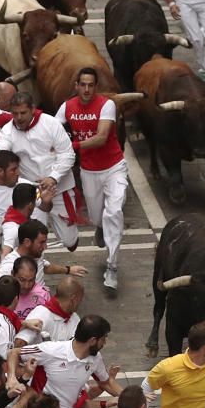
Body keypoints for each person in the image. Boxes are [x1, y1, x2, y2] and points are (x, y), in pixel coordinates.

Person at [55, 66, 127, 289]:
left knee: (114, 211)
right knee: (97, 218)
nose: (86, 89)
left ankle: (112, 266)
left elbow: (102, 137)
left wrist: (71, 146)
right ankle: (101, 227)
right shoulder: (66, 107)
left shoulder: (107, 105)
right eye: (82, 85)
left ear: (96, 87)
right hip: (88, 171)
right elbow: (52, 130)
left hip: (114, 167)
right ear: (76, 86)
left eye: (90, 85)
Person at [7, 314, 123, 408]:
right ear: (93, 340)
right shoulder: (51, 350)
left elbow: (106, 382)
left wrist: (128, 397)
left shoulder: (96, 359)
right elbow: (13, 353)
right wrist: (12, 379)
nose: (104, 343)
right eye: (103, 338)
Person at [0, 92, 80, 251]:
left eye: (23, 113)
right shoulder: (7, 132)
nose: (19, 117)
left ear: (33, 109)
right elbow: (2, 154)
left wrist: (53, 177)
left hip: (59, 188)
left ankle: (68, 236)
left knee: (70, 243)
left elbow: (68, 154)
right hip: (32, 193)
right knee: (33, 241)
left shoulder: (51, 123)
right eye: (15, 113)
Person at [0, 218, 87, 284]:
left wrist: (68, 270)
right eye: (41, 242)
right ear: (27, 242)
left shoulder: (36, 255)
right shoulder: (9, 266)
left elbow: (44, 267)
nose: (45, 247)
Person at [14, 275, 83, 346]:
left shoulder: (75, 319)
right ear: (73, 299)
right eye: (80, 299)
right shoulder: (41, 314)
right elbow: (19, 343)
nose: (80, 302)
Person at [0, 255, 49, 322]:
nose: (26, 286)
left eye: (31, 280)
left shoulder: (43, 295)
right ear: (13, 274)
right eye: (22, 280)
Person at [2, 182, 52, 258]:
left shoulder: (18, 221)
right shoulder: (13, 229)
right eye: (35, 202)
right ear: (31, 205)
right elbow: (3, 256)